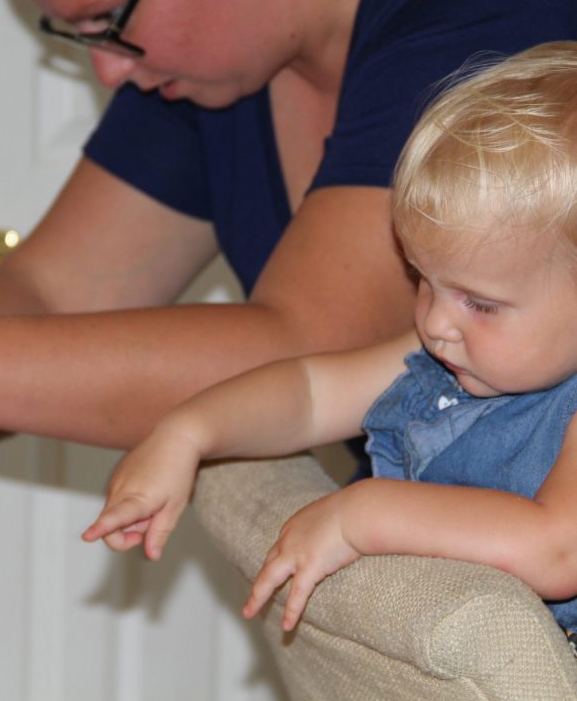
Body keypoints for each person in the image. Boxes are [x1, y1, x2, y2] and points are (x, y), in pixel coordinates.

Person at [0, 0, 574, 461]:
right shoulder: (221, 62)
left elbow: (310, 345)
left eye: (107, 19)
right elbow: (49, 294)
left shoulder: (490, 6)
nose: (107, 67)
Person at [81, 42, 577, 635]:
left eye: (480, 303)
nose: (436, 324)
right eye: (424, 280)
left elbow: (556, 551)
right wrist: (186, 432)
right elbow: (311, 391)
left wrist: (358, 514)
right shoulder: (440, 364)